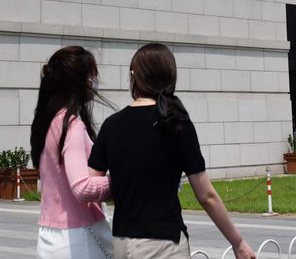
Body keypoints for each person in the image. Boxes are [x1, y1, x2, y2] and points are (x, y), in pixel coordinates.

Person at [88, 43, 255, 259]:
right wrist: (238, 242)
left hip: (122, 243)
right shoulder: (176, 123)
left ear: (133, 76)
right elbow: (206, 196)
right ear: (170, 78)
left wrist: (125, 185)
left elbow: (91, 185)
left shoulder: (112, 125)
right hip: (164, 243)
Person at [31, 46, 113, 259]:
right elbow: (82, 187)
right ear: (80, 82)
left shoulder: (46, 122)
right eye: (92, 75)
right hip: (78, 237)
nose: (94, 82)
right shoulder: (71, 125)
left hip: (50, 236)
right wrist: (122, 181)